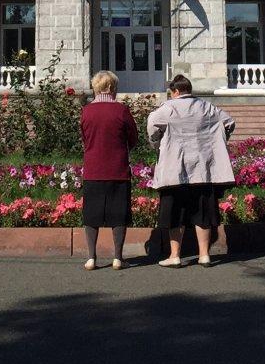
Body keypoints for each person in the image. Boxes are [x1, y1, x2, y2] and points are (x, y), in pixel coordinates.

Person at [148, 74, 235, 267]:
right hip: (203, 168)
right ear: (189, 89)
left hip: (175, 168)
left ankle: (175, 255)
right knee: (202, 213)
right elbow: (229, 122)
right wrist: (217, 140)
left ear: (175, 91)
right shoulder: (207, 107)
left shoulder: (168, 108)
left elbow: (152, 125)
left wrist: (158, 144)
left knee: (175, 213)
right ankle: (204, 254)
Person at [79, 70, 139, 271]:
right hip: (117, 168)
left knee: (91, 214)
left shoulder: (86, 111)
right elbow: (133, 138)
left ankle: (91, 257)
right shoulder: (121, 110)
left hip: (93, 168)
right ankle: (118, 258)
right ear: (113, 87)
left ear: (95, 88)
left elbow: (85, 138)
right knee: (118, 214)